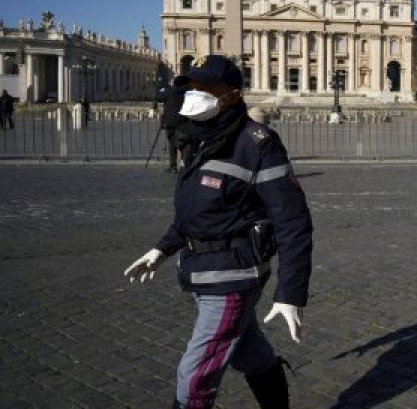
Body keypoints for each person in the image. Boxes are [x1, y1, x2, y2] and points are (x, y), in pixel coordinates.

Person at [123, 55, 314, 408]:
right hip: (200, 270)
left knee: (194, 377)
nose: (195, 95)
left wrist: (290, 293)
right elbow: (196, 212)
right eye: (191, 87)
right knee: (249, 353)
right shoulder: (198, 139)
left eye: (206, 88)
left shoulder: (257, 144)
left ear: (231, 95)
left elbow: (293, 221)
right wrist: (162, 249)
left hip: (233, 277)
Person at [160, 84, 189, 172]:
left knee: (172, 144)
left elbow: (158, 97)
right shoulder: (186, 93)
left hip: (171, 122)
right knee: (183, 143)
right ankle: (185, 165)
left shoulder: (169, 92)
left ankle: (173, 166)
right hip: (183, 121)